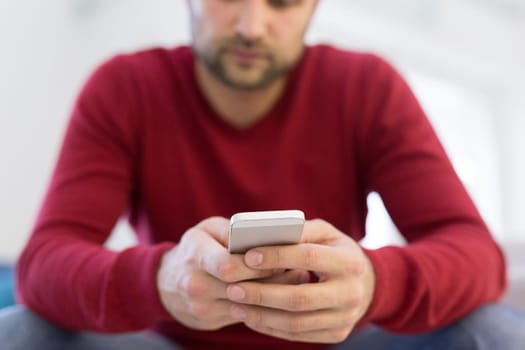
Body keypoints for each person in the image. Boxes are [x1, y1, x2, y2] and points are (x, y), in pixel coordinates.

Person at [1, 0, 524, 349]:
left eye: (282, 1)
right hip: (170, 340)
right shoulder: (123, 88)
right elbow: (42, 266)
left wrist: (375, 283)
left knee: (494, 330)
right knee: (19, 331)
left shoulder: (367, 86)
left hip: (337, 342)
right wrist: (159, 282)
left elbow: (477, 256)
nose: (252, 27)